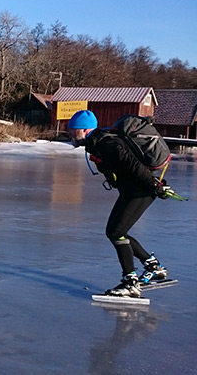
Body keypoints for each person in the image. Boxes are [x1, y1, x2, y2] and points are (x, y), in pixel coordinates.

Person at [67, 109, 169, 298]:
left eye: (74, 130)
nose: (71, 134)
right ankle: (153, 266)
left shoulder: (107, 143)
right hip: (133, 190)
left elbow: (133, 165)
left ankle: (130, 283)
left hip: (141, 191)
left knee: (116, 232)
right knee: (118, 231)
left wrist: (155, 185)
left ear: (86, 130)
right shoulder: (96, 143)